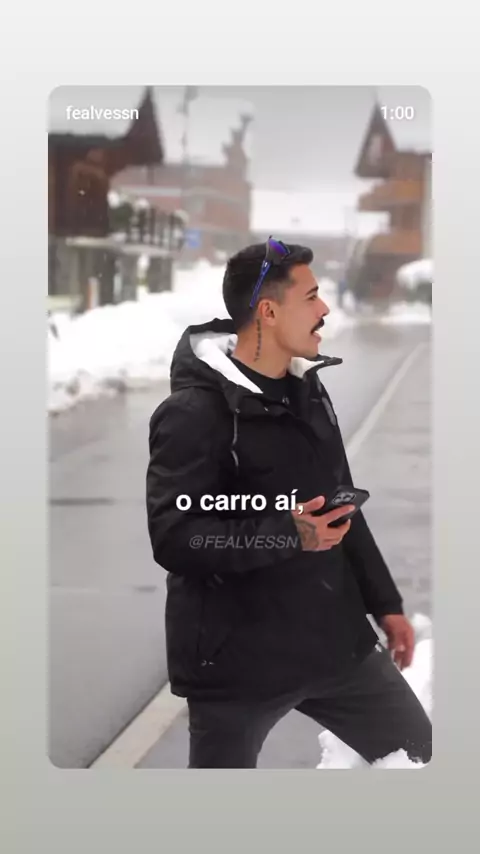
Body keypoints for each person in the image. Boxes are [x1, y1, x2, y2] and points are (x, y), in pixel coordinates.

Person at [146, 238, 432, 769]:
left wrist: (385, 602)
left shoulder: (308, 390)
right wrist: (288, 532)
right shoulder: (194, 413)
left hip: (333, 645)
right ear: (269, 312)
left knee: (425, 762)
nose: (325, 309)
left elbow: (340, 502)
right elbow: (176, 536)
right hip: (236, 664)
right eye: (311, 297)